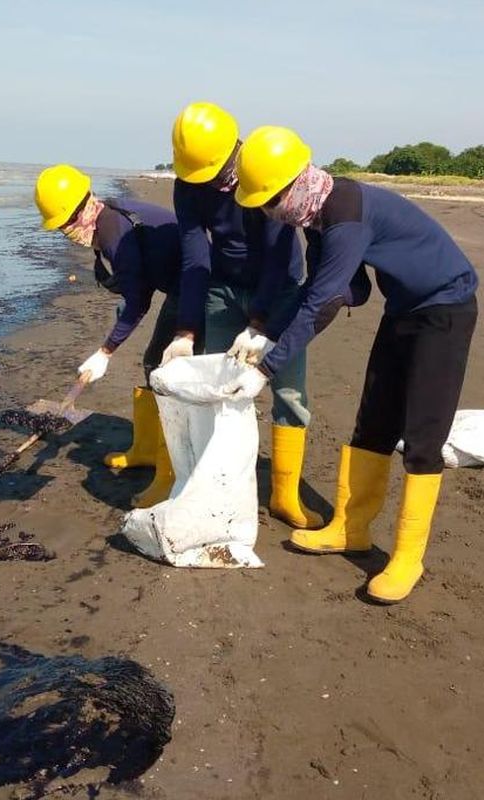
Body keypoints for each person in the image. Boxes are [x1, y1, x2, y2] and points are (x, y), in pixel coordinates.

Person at [225, 126, 479, 604]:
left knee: (423, 438)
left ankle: (407, 557)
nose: (266, 211)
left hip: (446, 309)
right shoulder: (318, 213)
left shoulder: (344, 216)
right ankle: (351, 527)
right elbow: (347, 290)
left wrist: (265, 370)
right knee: (373, 423)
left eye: (268, 200)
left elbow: (322, 303)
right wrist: (263, 331)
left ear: (294, 183)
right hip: (403, 308)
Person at [166, 101, 322, 530]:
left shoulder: (262, 170)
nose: (213, 184)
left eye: (217, 174)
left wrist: (259, 325)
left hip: (281, 286)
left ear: (234, 150)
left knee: (287, 390)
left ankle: (285, 495)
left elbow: (277, 257)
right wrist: (185, 329)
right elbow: (195, 257)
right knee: (220, 389)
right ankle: (223, 482)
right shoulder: (188, 184)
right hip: (222, 285)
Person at [34, 164, 185, 507]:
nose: (65, 233)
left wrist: (106, 351)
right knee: (153, 361)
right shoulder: (106, 218)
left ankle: (170, 472)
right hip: (178, 287)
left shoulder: (115, 231)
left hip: (198, 289)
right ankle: (146, 449)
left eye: (65, 225)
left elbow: (138, 302)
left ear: (82, 208)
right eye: (59, 229)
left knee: (174, 378)